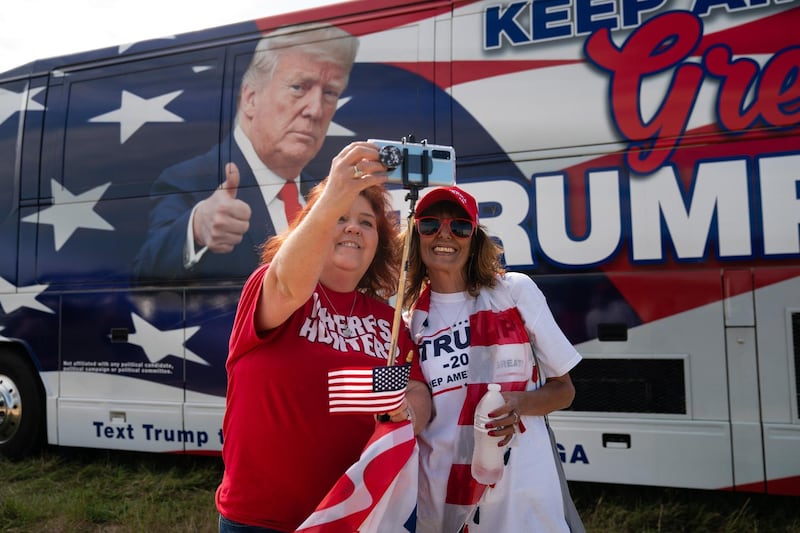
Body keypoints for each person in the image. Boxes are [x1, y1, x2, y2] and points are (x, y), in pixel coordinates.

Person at [215, 141, 433, 533]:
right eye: (340, 217)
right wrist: (333, 193)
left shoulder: (389, 320)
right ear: (313, 226)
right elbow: (287, 284)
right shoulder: (270, 286)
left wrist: (409, 414)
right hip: (263, 521)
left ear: (377, 245)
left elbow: (414, 386)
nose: (353, 227)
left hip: (354, 516)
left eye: (366, 222)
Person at [400, 185, 583, 532]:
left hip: (521, 493)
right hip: (443, 494)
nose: (445, 235)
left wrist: (519, 403)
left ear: (474, 238)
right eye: (429, 225)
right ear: (416, 236)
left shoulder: (513, 292)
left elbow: (565, 390)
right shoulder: (412, 322)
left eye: (459, 226)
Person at [133, 23, 359, 282]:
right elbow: (144, 274)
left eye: (330, 93)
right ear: (251, 98)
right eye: (299, 87)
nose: (316, 110)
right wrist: (196, 229)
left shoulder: (325, 195)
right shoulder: (191, 180)